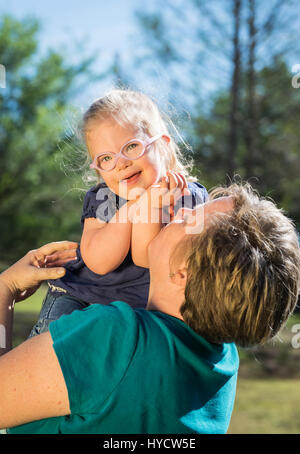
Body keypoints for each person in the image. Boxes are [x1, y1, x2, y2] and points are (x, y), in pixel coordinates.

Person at [0, 183, 299, 434]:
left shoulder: (117, 339)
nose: (180, 211)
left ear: (185, 271)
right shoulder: (223, 360)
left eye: (189, 220)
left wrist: (6, 290)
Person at [30, 89, 208, 337]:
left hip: (140, 314)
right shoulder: (104, 198)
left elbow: (147, 258)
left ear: (163, 146)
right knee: (47, 362)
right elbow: (99, 262)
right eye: (106, 158)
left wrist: (151, 204)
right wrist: (136, 206)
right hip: (81, 300)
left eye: (132, 146)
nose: (121, 163)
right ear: (98, 168)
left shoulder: (189, 197)